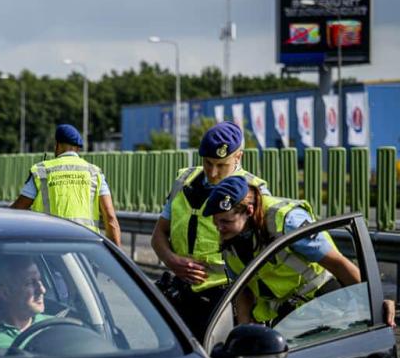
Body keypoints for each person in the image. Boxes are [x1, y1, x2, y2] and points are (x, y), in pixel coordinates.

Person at [203, 175, 396, 326]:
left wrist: (378, 301)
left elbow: (338, 264)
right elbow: (242, 290)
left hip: (329, 305)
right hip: (288, 319)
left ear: (249, 211)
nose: (218, 227)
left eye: (225, 221)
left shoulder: (287, 222)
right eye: (215, 221)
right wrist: (244, 327)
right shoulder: (229, 237)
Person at [150, 121, 269, 339]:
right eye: (207, 162)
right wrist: (171, 260)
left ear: (238, 157)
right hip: (181, 293)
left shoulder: (254, 191)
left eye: (221, 165)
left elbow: (263, 254)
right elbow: (158, 234)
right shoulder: (185, 181)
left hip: (228, 297)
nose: (213, 172)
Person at [10, 124, 122, 247]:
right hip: (87, 245)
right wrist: (118, 259)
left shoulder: (41, 171)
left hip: (49, 245)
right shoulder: (94, 173)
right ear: (78, 149)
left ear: (57, 145)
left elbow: (18, 210)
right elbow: (110, 218)